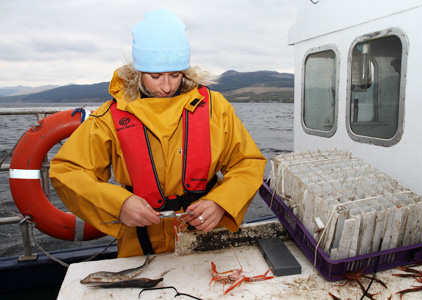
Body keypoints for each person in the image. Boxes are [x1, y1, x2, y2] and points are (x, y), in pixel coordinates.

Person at [49, 8, 266, 258]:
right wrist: (119, 204)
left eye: (175, 75)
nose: (166, 86)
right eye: (155, 76)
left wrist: (221, 203)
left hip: (207, 235)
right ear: (138, 72)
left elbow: (247, 162)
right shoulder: (110, 116)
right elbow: (67, 171)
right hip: (140, 242)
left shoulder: (216, 108)